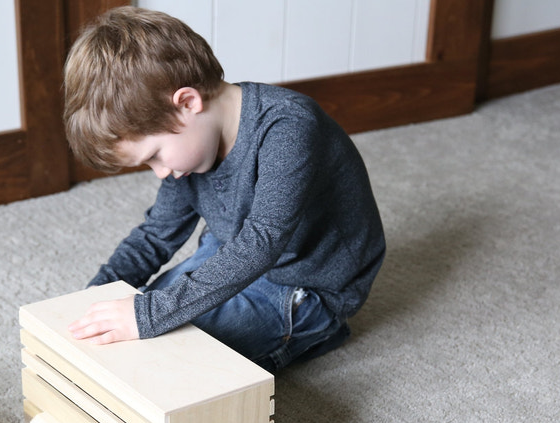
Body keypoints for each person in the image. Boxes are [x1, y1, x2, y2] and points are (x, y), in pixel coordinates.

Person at [63, 6, 385, 373]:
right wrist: (92, 295)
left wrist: (148, 316)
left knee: (169, 355)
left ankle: (321, 330)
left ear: (187, 104)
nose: (160, 173)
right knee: (132, 319)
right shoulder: (188, 152)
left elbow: (261, 243)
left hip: (309, 285)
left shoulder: (289, 127)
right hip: (234, 248)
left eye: (155, 156)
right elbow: (156, 236)